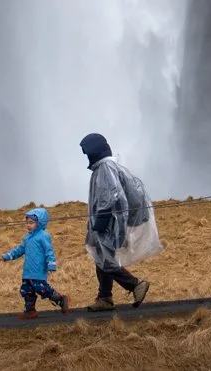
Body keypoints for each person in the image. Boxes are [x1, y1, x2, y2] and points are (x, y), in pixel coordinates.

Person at [81, 132, 153, 309]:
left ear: (94, 151)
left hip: (108, 226)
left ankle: (135, 285)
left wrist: (100, 222)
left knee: (106, 261)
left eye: (87, 152)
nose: (86, 156)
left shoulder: (105, 169)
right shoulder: (105, 167)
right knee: (102, 258)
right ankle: (104, 297)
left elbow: (111, 198)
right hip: (109, 224)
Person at [0, 204, 68, 316]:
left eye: (31, 223)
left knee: (42, 289)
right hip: (28, 271)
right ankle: (30, 310)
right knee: (26, 290)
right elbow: (19, 250)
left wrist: (51, 265)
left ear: (39, 223)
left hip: (38, 270)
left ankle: (60, 299)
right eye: (27, 222)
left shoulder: (44, 236)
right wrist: (8, 256)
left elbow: (49, 251)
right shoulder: (27, 237)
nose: (28, 225)